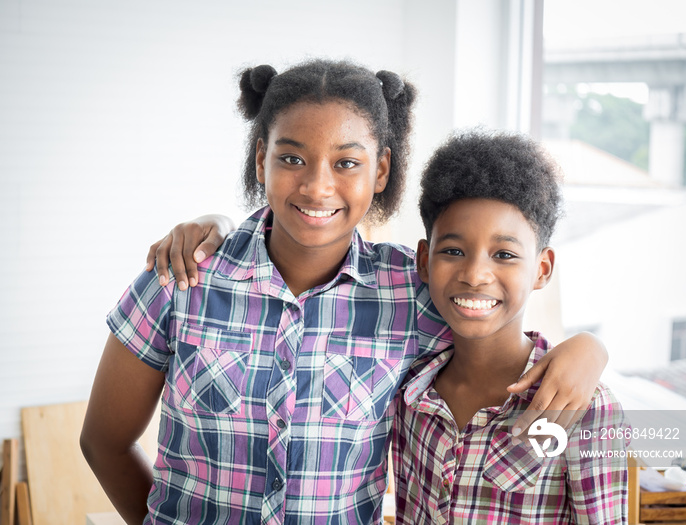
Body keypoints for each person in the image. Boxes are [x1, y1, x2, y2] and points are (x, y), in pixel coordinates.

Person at [81, 59, 608, 525]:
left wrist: (590, 349)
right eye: (291, 159)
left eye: (346, 162)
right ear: (261, 157)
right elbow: (103, 442)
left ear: (380, 170)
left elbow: (495, 324)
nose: (316, 186)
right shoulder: (181, 280)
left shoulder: (413, 291)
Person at [392, 129, 628, 524]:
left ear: (542, 269)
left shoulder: (584, 407)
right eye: (452, 251)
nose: (475, 274)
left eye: (504, 254)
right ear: (424, 260)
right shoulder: (410, 391)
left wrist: (592, 345)